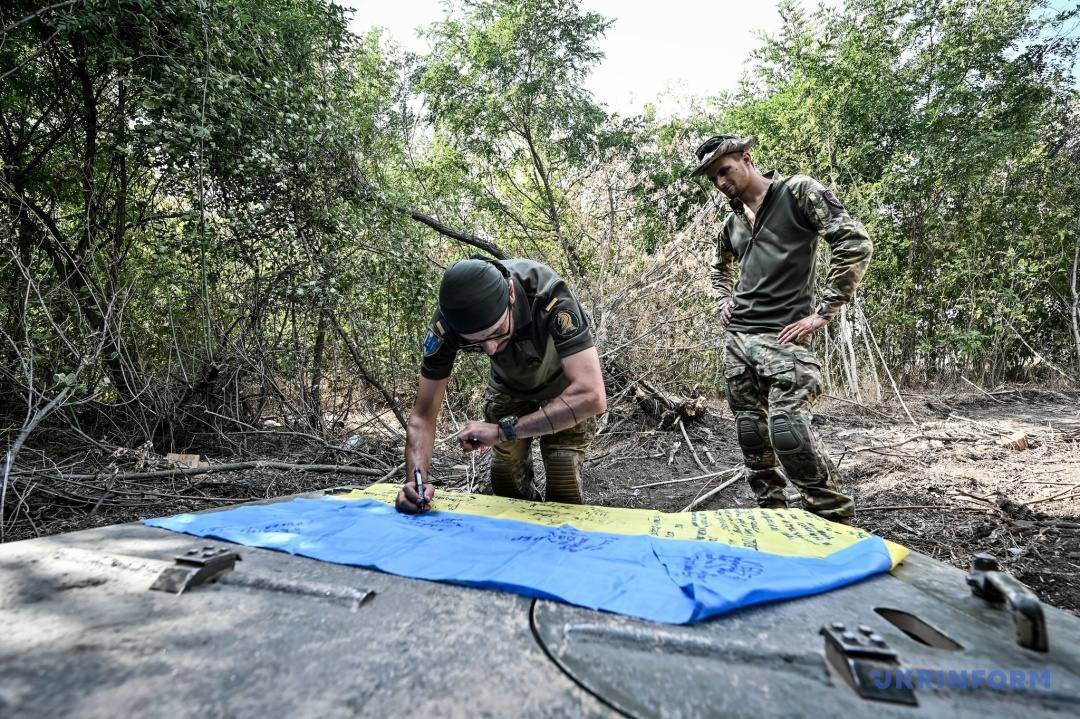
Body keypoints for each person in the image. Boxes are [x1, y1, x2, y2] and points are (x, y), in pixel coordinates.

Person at [690, 134, 873, 522]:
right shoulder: (732, 222)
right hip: (737, 340)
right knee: (751, 436)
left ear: (747, 159)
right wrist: (723, 299)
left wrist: (823, 311)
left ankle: (831, 518)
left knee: (788, 431)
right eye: (713, 178)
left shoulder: (798, 192)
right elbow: (717, 269)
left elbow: (854, 242)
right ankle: (773, 516)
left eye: (725, 170)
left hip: (782, 336)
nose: (721, 182)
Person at [396, 257, 607, 513]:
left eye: (496, 332)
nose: (491, 349)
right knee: (506, 474)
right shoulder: (447, 323)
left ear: (510, 293)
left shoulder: (548, 295)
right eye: (476, 342)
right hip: (508, 386)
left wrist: (501, 431)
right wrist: (416, 480)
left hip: (564, 387)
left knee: (562, 469)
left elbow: (592, 395)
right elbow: (422, 415)